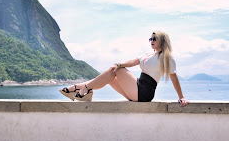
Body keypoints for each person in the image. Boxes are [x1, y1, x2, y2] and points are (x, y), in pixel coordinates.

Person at [59, 30, 189, 106]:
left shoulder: (167, 58)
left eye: (155, 38)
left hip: (144, 92)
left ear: (162, 40)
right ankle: (81, 89)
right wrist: (119, 63)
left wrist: (181, 97)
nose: (152, 41)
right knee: (110, 76)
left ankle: (81, 89)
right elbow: (133, 61)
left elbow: (174, 77)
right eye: (150, 38)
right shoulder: (148, 54)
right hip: (137, 87)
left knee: (118, 70)